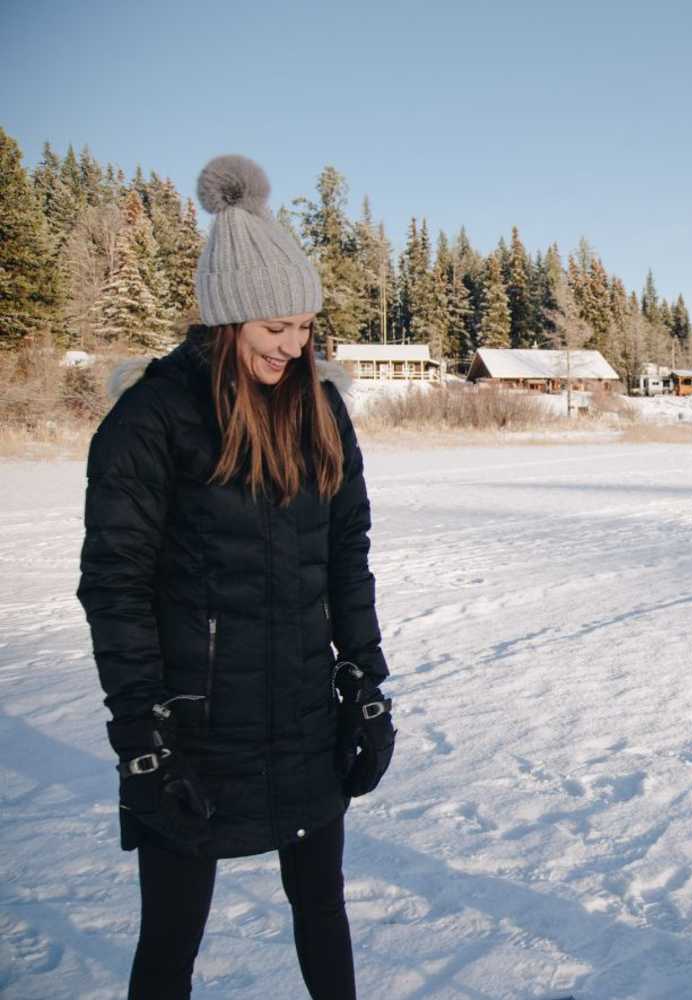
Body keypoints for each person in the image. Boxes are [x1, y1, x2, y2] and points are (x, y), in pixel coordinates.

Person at [77, 155, 396, 1000]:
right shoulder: (153, 417)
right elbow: (116, 585)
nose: (293, 348)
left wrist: (366, 687)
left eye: (304, 328)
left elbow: (345, 557)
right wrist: (142, 741)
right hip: (195, 730)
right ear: (227, 319)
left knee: (322, 912)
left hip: (300, 713)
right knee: (171, 940)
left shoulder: (318, 407)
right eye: (274, 329)